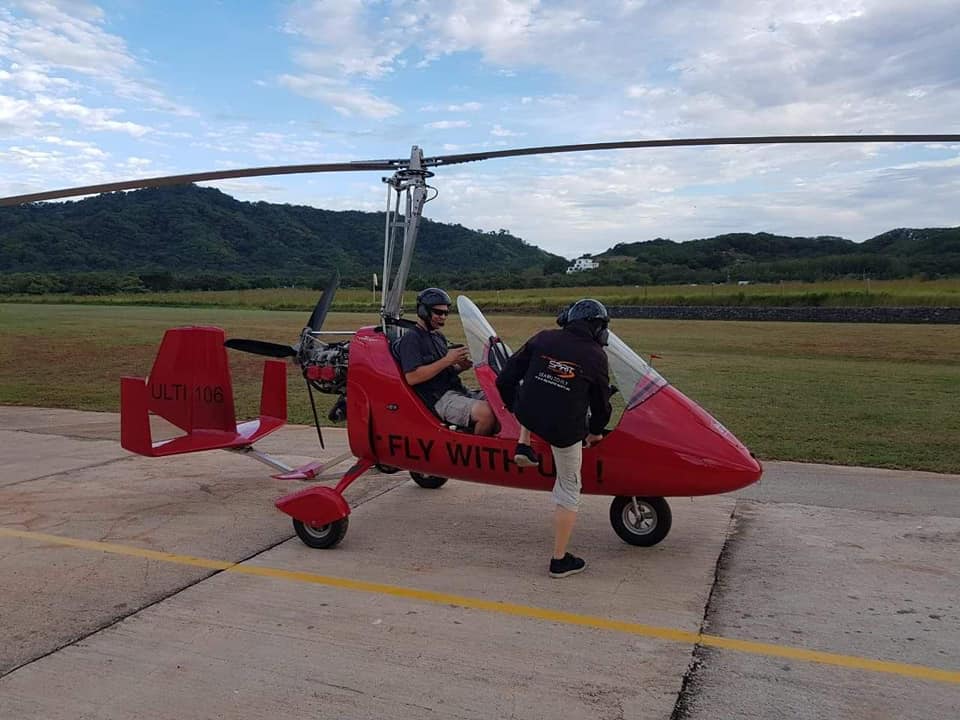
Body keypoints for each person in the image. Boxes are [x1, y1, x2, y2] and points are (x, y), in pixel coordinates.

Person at [496, 298, 612, 578]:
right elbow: (601, 405)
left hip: (529, 416)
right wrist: (595, 431)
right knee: (569, 490)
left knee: (531, 388)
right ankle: (560, 560)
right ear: (597, 328)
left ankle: (524, 444)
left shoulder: (543, 338)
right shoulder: (596, 356)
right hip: (563, 431)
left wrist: (515, 409)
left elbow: (505, 379)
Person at [396, 287, 497, 436]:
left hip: (458, 390)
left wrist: (459, 366)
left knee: (500, 400)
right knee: (486, 413)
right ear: (423, 312)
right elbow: (412, 377)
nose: (443, 317)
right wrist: (447, 360)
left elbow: (441, 369)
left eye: (445, 313)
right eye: (438, 312)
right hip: (439, 399)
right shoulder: (411, 339)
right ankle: (474, 454)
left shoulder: (438, 337)